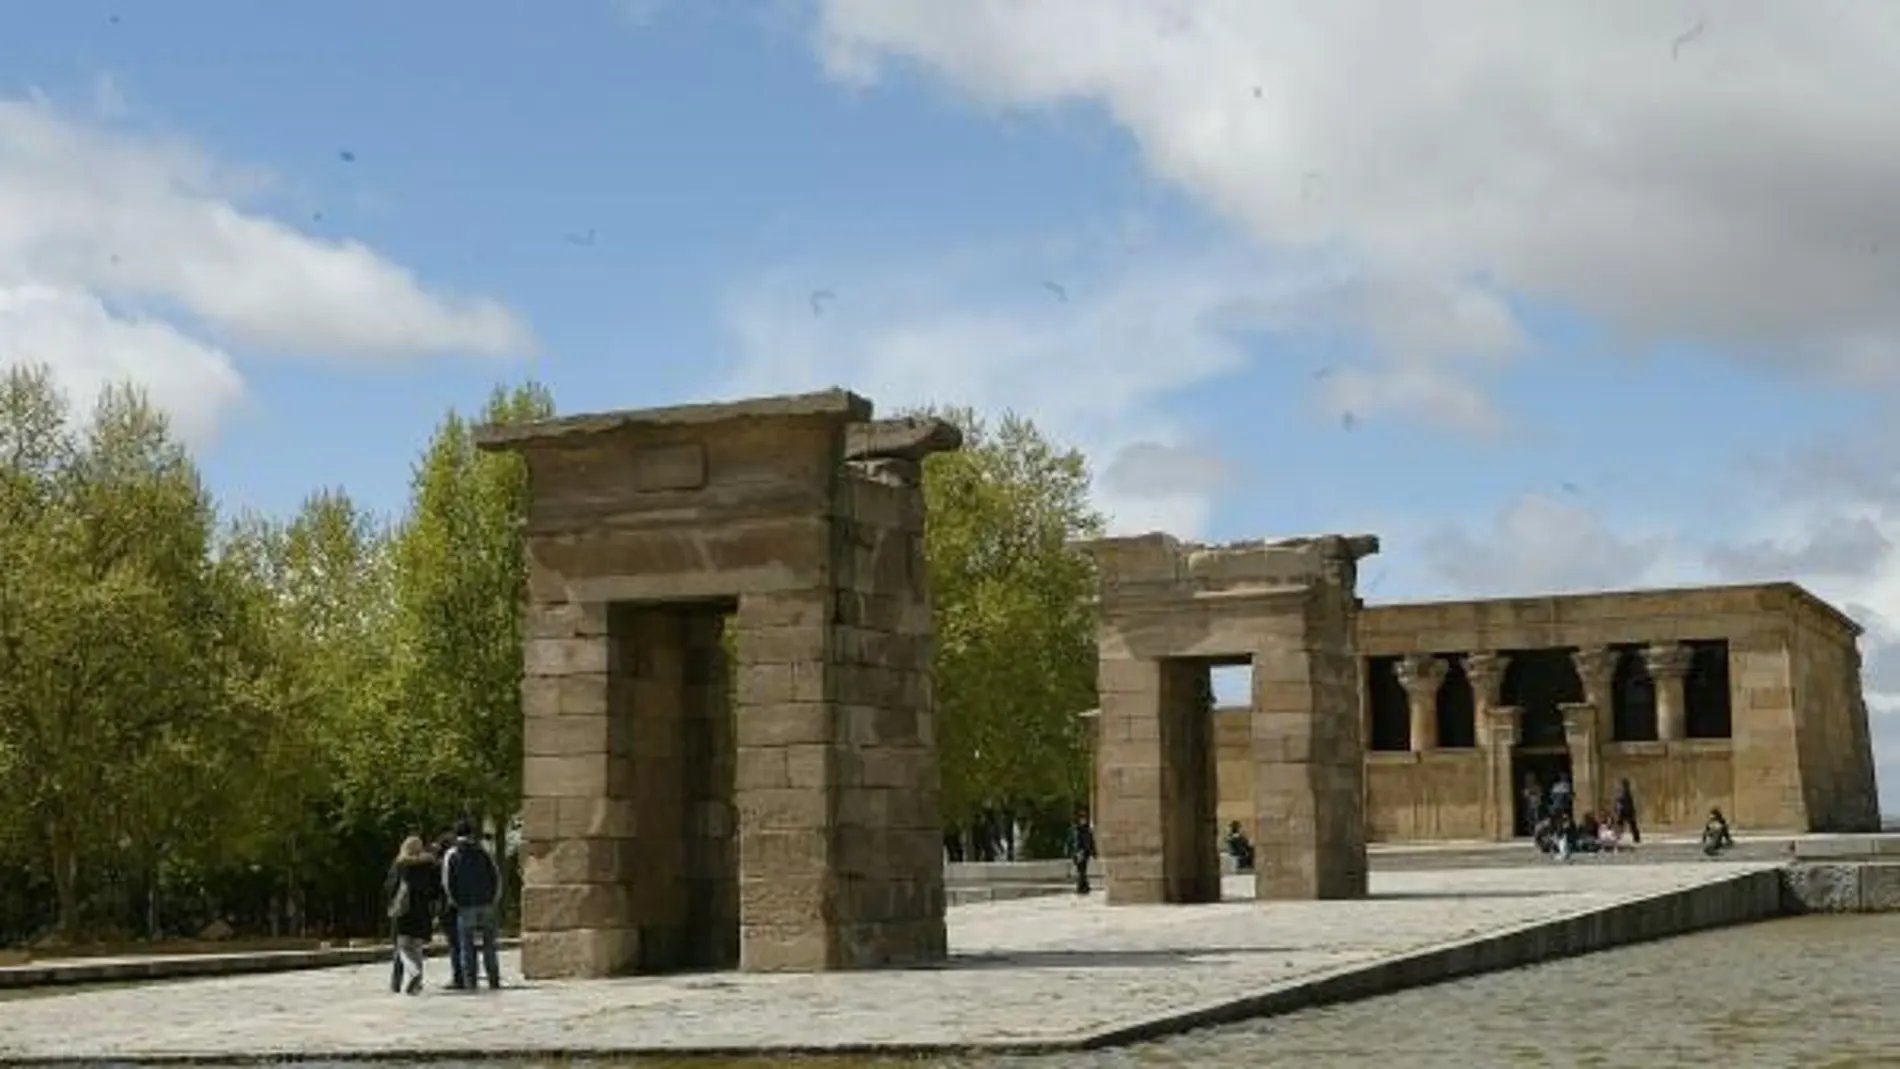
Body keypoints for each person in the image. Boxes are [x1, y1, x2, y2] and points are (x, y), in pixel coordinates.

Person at [442, 818, 504, 990]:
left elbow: (447, 882)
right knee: (489, 945)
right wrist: (494, 900)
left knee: (466, 946)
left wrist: (455, 902)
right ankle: (493, 979)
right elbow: (496, 877)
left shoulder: (452, 854)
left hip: (465, 905)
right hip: (487, 904)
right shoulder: (484, 851)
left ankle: (471, 981)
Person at [385, 835, 440, 996]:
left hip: (403, 912)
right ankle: (412, 984)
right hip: (422, 913)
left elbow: (389, 887)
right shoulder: (429, 865)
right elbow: (435, 889)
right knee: (416, 949)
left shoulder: (400, 865)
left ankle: (411, 974)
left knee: (402, 948)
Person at [434, 831, 467, 990]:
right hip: (464, 905)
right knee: (464, 943)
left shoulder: (440, 863)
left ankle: (458, 978)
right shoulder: (460, 859)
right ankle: (469, 974)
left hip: (447, 907)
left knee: (454, 944)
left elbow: (437, 888)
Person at [1066, 811, 1097, 895]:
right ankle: (1083, 886)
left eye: (1084, 819)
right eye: (1082, 819)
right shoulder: (1076, 830)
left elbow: (1091, 841)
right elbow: (1073, 842)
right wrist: (1074, 852)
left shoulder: (1087, 830)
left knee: (1083, 870)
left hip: (1085, 852)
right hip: (1079, 853)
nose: (1083, 821)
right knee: (1081, 870)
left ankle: (1083, 886)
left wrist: (1093, 851)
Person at [1612, 778, 1642, 844]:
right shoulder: (1627, 792)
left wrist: (1618, 805)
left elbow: (1622, 801)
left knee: (1625, 824)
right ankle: (1636, 838)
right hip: (1628, 811)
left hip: (1626, 811)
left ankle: (1618, 836)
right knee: (1628, 824)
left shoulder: (1625, 792)